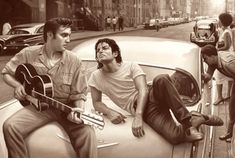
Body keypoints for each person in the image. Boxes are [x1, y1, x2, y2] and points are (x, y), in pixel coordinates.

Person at [88, 38, 223, 144]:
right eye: (98, 50)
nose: (100, 51)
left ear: (115, 53)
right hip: (146, 109)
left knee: (162, 78)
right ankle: (198, 117)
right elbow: (96, 103)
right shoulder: (96, 76)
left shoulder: (131, 66)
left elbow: (143, 90)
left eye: (104, 48)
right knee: (174, 137)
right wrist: (110, 112)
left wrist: (138, 117)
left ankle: (188, 123)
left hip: (151, 95)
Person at [2, 17, 97, 158]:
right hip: (39, 107)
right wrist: (17, 86)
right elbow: (6, 73)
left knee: (88, 133)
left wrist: (78, 111)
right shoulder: (28, 53)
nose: (69, 40)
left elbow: (79, 94)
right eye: (64, 35)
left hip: (67, 107)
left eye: (69, 35)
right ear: (50, 35)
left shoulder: (74, 60)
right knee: (10, 126)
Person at [201, 44, 235, 142]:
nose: (204, 61)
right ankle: (229, 133)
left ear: (212, 56)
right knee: (232, 107)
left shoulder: (227, 63)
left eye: (205, 58)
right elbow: (207, 77)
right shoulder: (213, 62)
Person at [213, 13, 233, 105]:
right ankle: (228, 95)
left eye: (219, 20)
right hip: (225, 55)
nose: (218, 21)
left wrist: (217, 49)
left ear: (222, 21)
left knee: (219, 76)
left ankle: (221, 97)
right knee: (229, 77)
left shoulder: (226, 32)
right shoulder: (225, 31)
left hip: (225, 56)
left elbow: (227, 46)